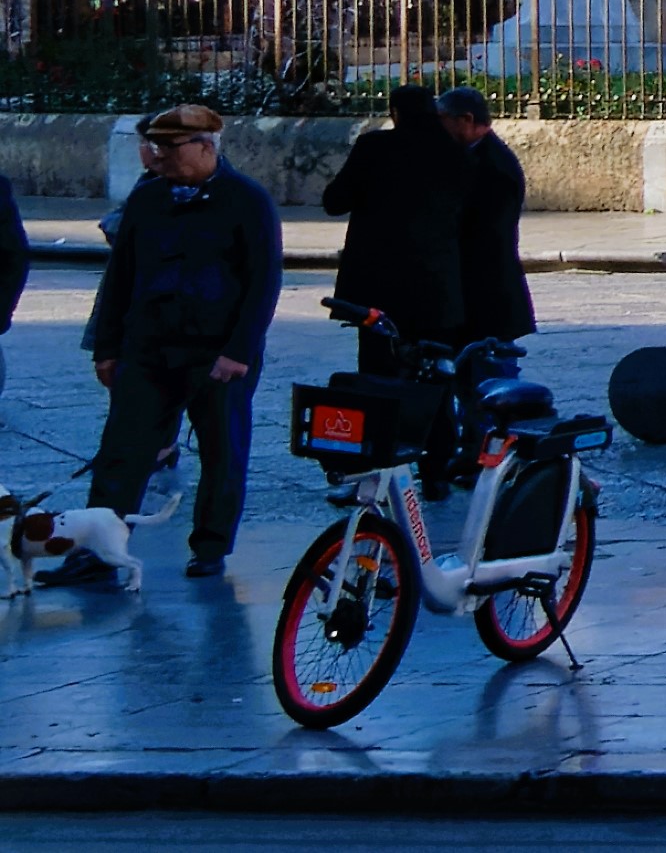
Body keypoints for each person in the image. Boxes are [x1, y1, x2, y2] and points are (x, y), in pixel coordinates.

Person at [82, 103, 285, 579]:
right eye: (156, 147)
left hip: (216, 352)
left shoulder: (247, 200)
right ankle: (97, 552)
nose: (159, 157)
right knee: (122, 450)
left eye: (169, 148)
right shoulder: (148, 199)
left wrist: (238, 352)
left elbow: (263, 283)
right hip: (149, 347)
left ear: (204, 146)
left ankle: (211, 546)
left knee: (222, 451)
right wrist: (107, 347)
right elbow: (121, 277)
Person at [318, 83, 468, 353]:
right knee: (433, 370)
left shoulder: (374, 147)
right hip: (437, 286)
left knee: (379, 368)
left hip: (379, 287)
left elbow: (335, 202)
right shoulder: (456, 151)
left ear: (396, 113)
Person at [437, 90, 533, 351]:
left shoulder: (494, 166)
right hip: (474, 295)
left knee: (492, 378)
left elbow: (484, 231)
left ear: (465, 119)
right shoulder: (470, 155)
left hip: (487, 295)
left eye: (442, 119)